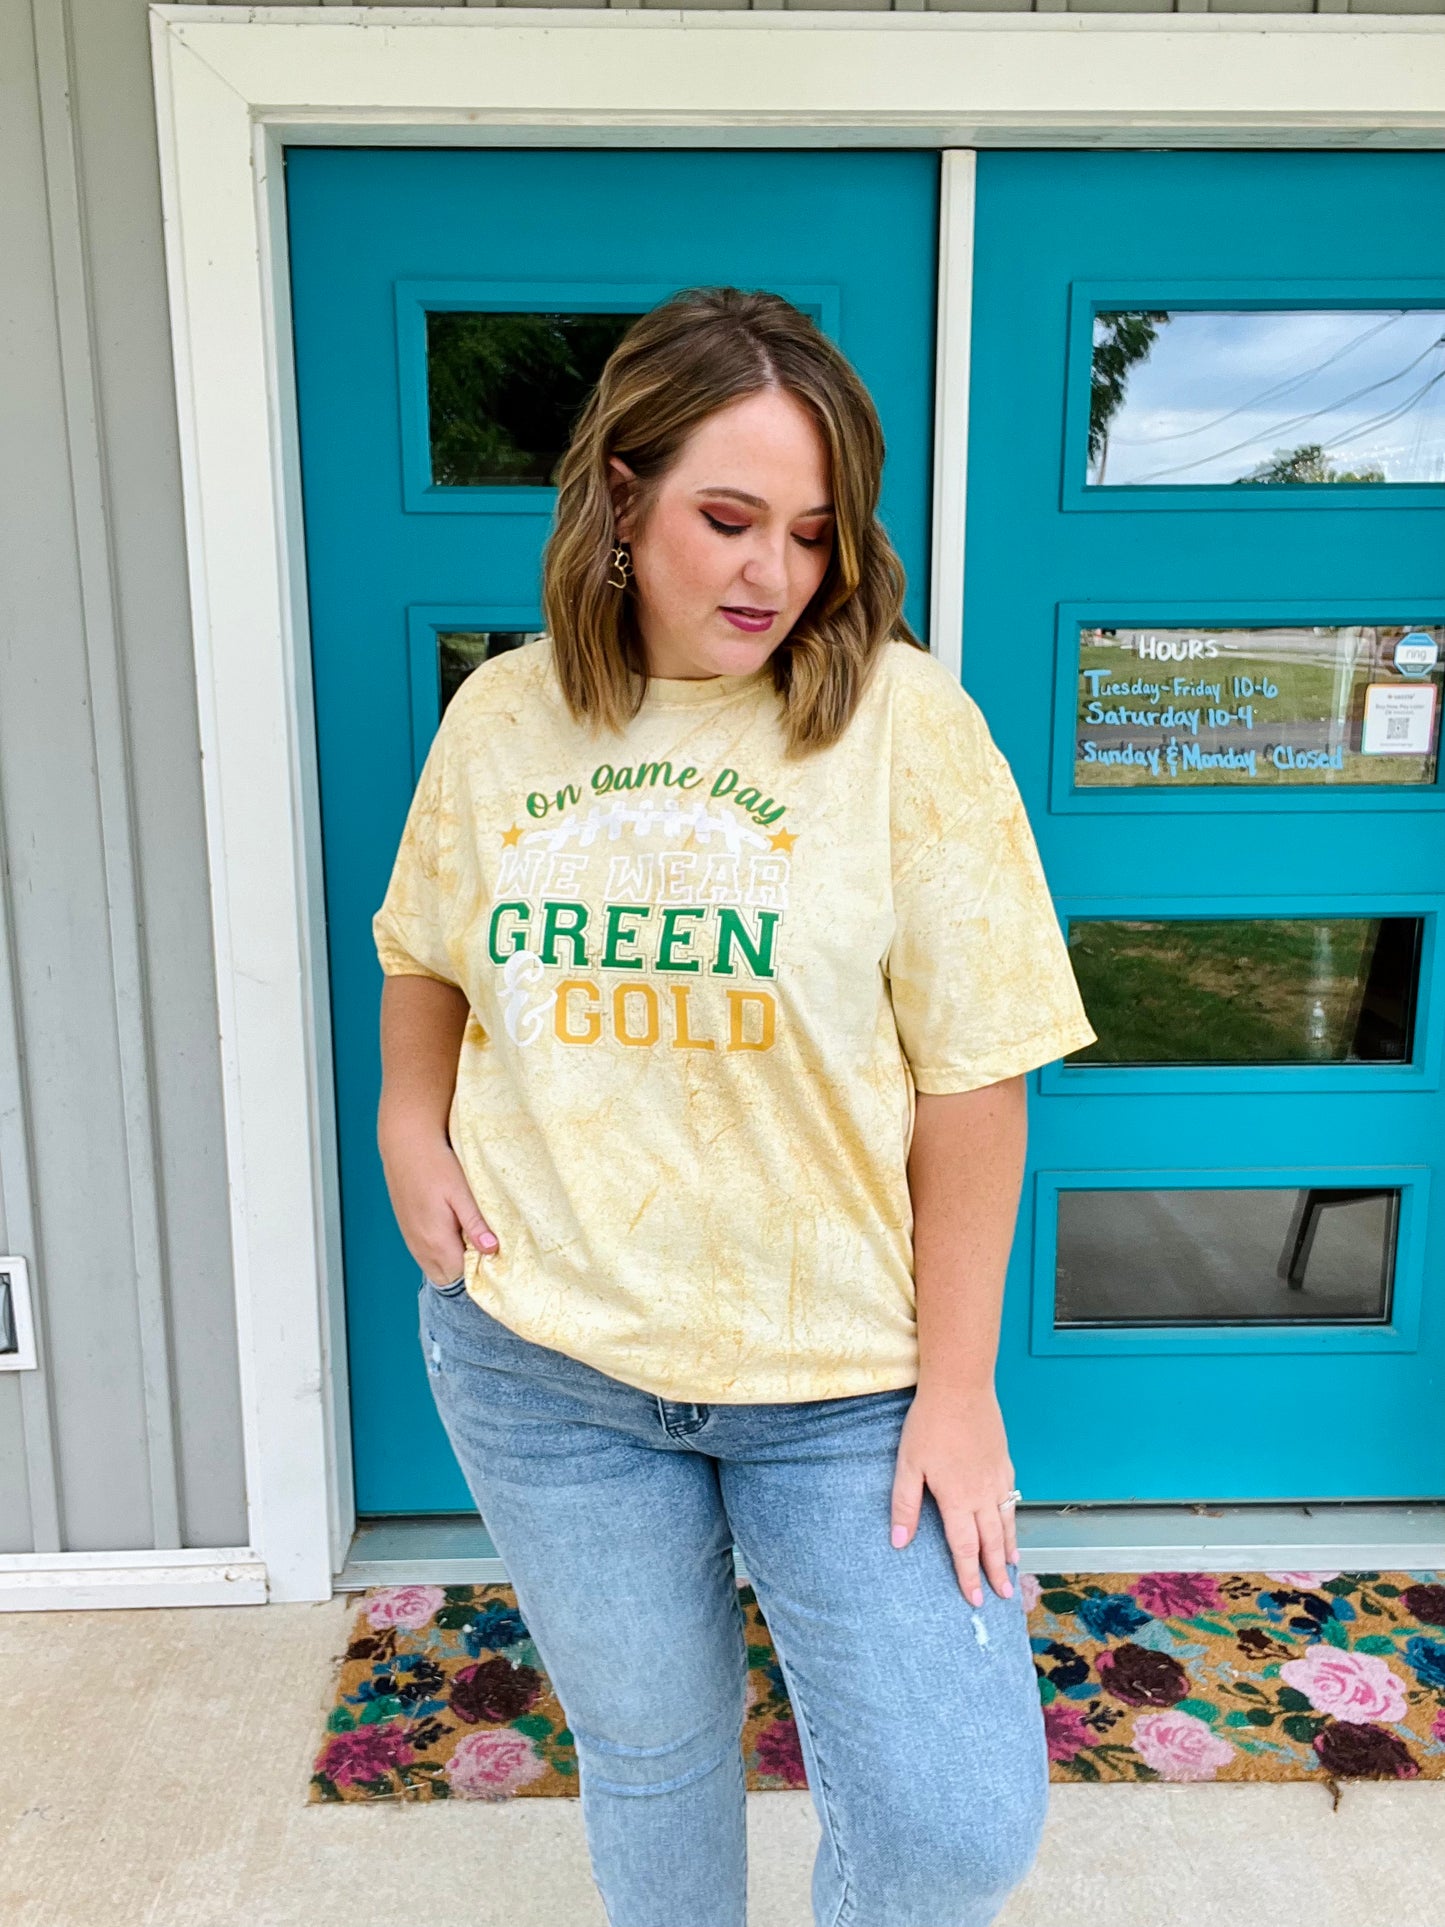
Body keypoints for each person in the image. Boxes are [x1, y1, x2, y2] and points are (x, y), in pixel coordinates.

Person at [373, 285, 1096, 1927]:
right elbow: (426, 946)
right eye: (727, 519)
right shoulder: (504, 717)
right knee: (650, 1754)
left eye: (813, 533)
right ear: (620, 496)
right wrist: (408, 1123)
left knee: (951, 1824)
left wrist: (959, 1388)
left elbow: (976, 1074)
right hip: (544, 1359)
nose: (772, 573)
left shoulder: (905, 725)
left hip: (843, 1383)